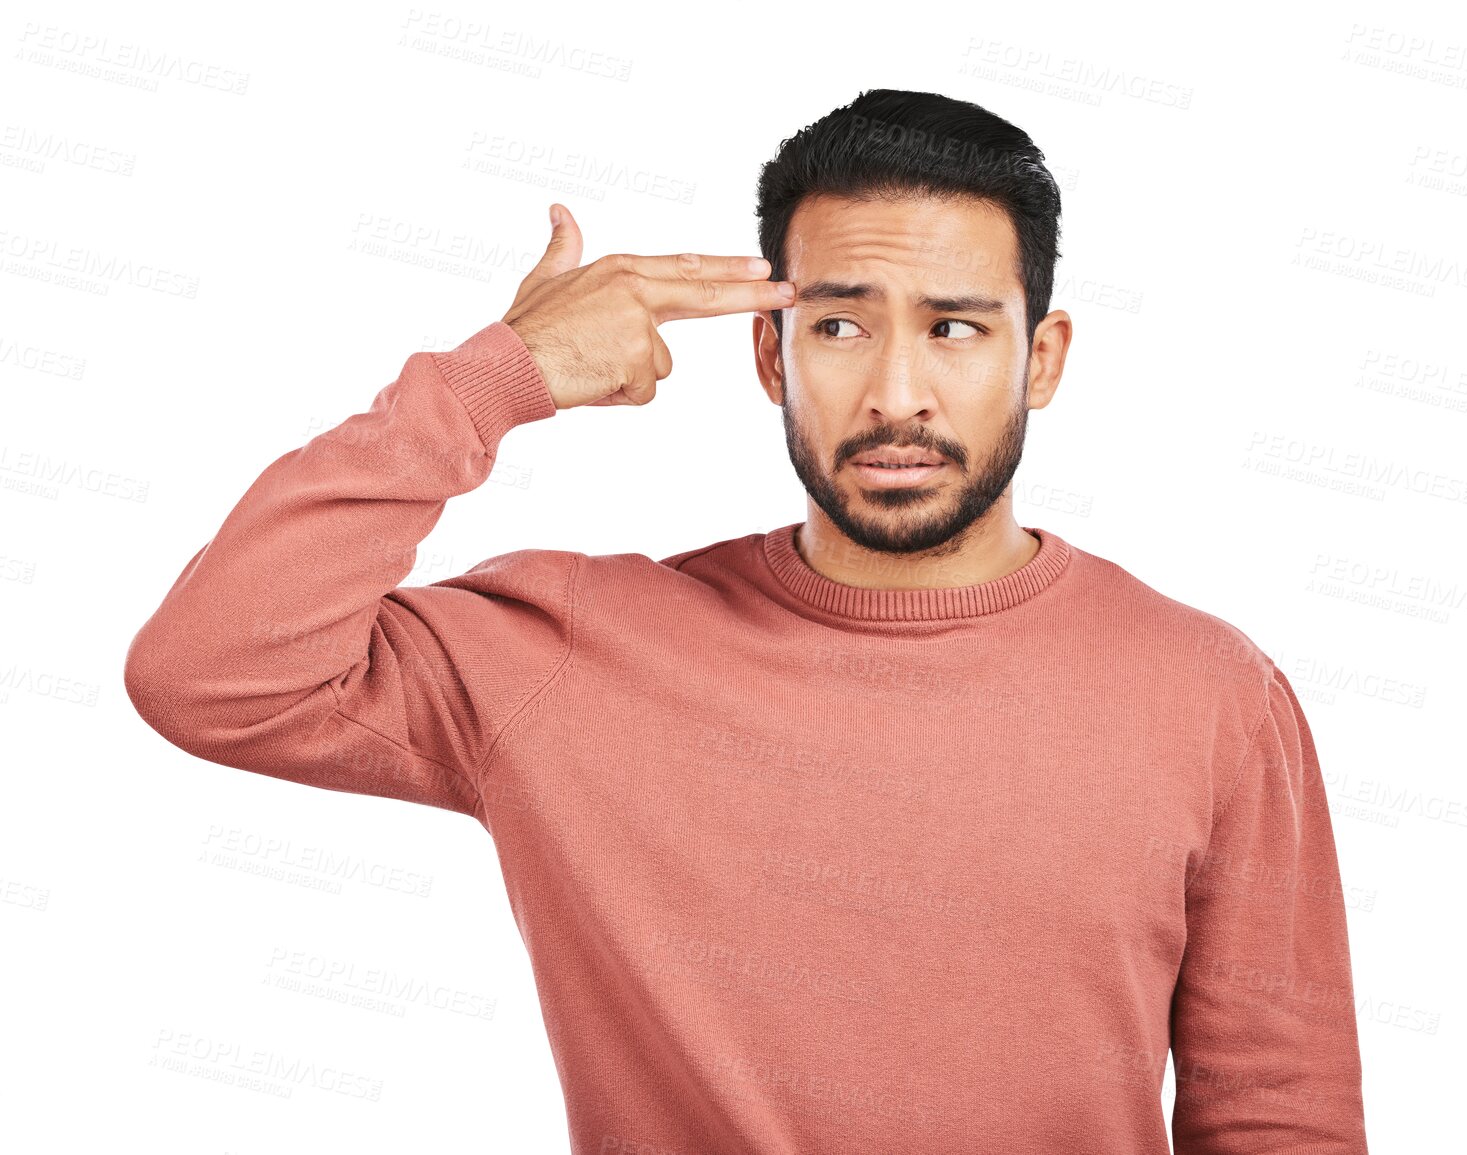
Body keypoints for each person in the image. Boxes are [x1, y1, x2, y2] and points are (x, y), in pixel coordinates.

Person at [125, 88, 1370, 1154]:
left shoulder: (1210, 693)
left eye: (953, 328)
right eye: (837, 324)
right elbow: (211, 674)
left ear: (1039, 360)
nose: (895, 393)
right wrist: (491, 383)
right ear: (770, 360)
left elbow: (1279, 1114)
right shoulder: (571, 649)